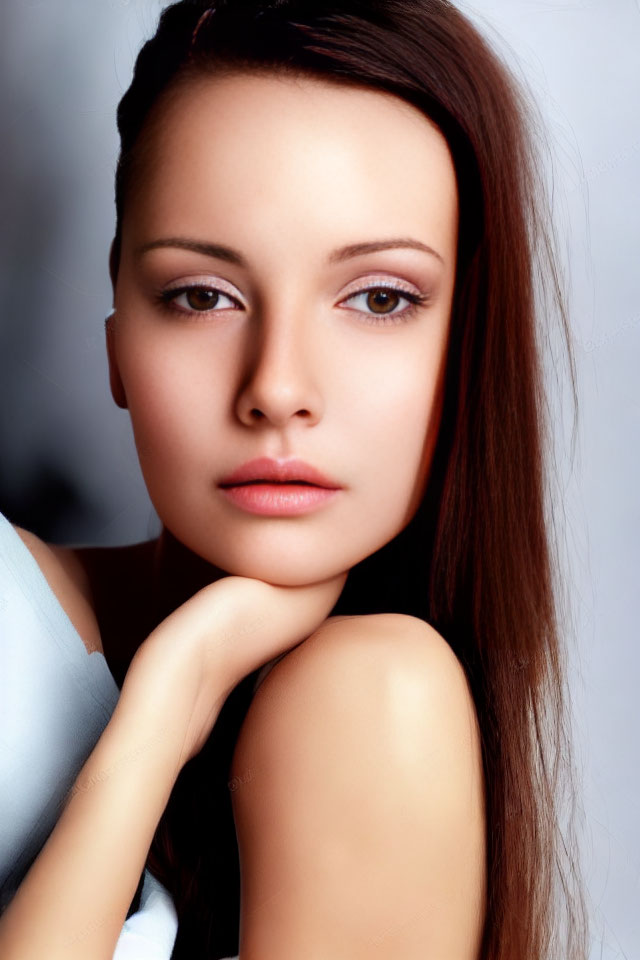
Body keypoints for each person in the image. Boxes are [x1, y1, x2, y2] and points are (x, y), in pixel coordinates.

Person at [0, 0, 590, 958]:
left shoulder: (377, 709)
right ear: (117, 335)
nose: (278, 388)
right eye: (202, 296)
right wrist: (160, 713)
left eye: (379, 298)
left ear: (468, 346)